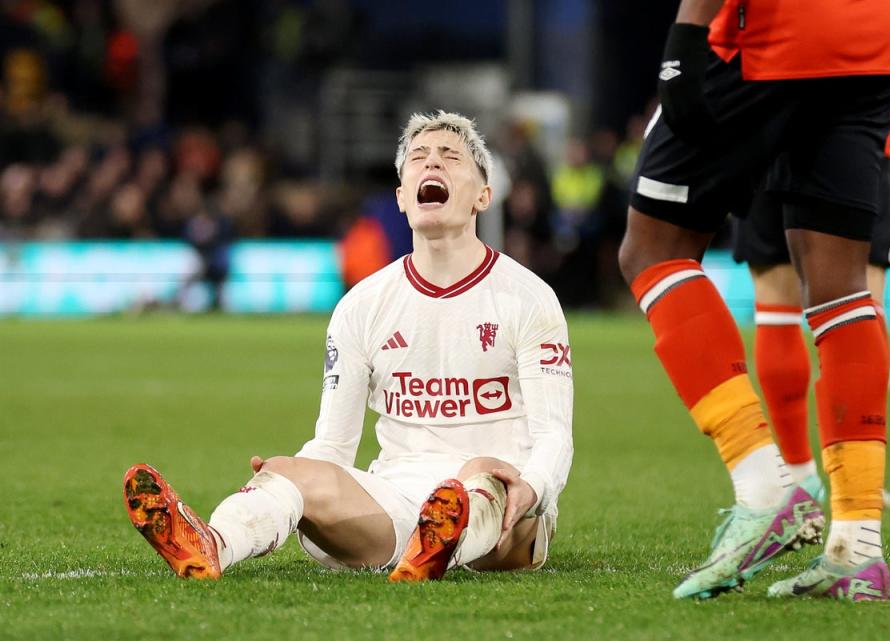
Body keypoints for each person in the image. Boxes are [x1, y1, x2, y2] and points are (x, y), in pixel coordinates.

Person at [123, 111, 574, 581]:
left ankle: (444, 539)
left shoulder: (528, 298)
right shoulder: (362, 305)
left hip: (509, 517)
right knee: (287, 470)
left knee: (483, 472)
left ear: (484, 194)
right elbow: (334, 445)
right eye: (417, 158)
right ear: (401, 197)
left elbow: (553, 436)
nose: (431, 164)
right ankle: (211, 543)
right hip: (394, 505)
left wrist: (534, 488)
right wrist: (286, 479)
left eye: (450, 156)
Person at [620, 0, 890, 600]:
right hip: (871, 45)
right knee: (840, 291)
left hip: (774, 34)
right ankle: (858, 548)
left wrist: (685, 34)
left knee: (651, 250)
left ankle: (765, 486)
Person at [732, 0, 890, 501]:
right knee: (858, 310)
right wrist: (874, 84)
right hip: (860, 131)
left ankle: (796, 473)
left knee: (776, 310)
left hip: (766, 120)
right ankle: (858, 481)